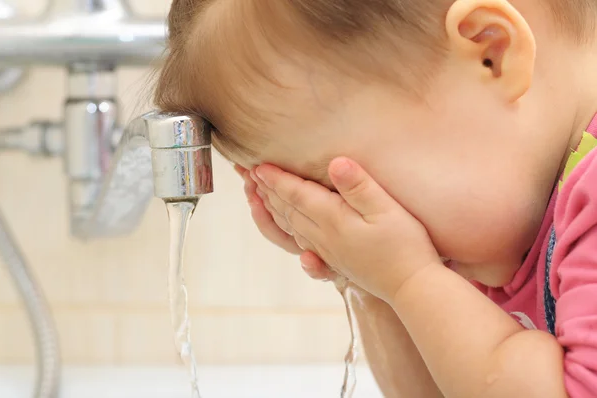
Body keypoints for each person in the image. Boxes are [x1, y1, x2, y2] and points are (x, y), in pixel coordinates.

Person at [154, 0, 597, 396]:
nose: (352, 222)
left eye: (343, 190)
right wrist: (373, 279)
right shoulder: (502, 210)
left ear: (491, 54)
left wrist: (409, 278)